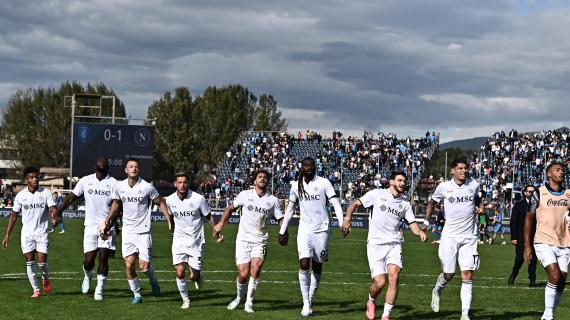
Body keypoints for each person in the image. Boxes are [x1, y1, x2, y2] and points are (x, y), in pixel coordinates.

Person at [342, 171, 427, 320]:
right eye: (399, 180)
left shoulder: (405, 204)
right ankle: (371, 300)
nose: (402, 183)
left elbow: (412, 224)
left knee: (394, 277)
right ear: (391, 182)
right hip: (375, 245)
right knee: (380, 283)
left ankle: (386, 315)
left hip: (394, 244)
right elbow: (355, 203)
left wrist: (419, 232)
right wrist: (347, 219)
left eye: (404, 181)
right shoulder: (376, 194)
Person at [278, 157, 346, 317]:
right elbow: (290, 210)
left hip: (322, 229)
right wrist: (282, 230)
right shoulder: (295, 186)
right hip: (304, 230)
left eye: (312, 165)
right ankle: (306, 303)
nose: (309, 167)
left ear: (315, 167)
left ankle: (310, 297)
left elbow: (336, 203)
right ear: (301, 167)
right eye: (306, 165)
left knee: (317, 266)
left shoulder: (324, 183)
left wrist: (342, 222)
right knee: (304, 263)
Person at [99, 158, 173, 304]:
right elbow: (116, 205)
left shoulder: (147, 187)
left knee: (144, 267)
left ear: (139, 170)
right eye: (131, 166)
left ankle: (153, 280)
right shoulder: (119, 187)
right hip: (128, 232)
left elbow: (161, 203)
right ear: (126, 170)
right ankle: (137, 294)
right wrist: (106, 221)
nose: (134, 168)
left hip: (144, 232)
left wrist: (169, 220)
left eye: (136, 167)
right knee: (129, 264)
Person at [213, 170, 283, 313]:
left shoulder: (273, 200)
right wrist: (220, 224)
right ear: (255, 181)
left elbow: (280, 218)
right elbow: (230, 208)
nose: (262, 179)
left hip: (260, 240)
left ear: (268, 182)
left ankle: (249, 303)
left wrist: (283, 232)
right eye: (259, 177)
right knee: (243, 274)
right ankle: (239, 298)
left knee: (256, 269)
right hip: (243, 240)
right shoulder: (245, 195)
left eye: (265, 177)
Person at [422, 159, 483, 320]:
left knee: (467, 275)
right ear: (452, 171)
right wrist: (426, 223)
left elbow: (476, 198)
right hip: (449, 237)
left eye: (466, 168)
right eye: (460, 168)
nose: (464, 171)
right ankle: (437, 289)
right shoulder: (444, 187)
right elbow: (432, 202)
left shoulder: (473, 184)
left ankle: (464, 315)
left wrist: (480, 206)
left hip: (469, 238)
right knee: (448, 274)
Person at [55, 158, 118, 300]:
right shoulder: (85, 180)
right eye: (100, 162)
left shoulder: (114, 183)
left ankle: (99, 290)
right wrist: (59, 211)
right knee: (89, 261)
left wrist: (108, 225)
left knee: (103, 259)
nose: (102, 162)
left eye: (105, 162)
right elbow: (71, 197)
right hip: (90, 226)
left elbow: (117, 206)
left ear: (108, 167)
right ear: (95, 166)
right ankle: (87, 276)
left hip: (106, 227)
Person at [2, 166, 58, 298]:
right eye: (31, 177)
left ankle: (45, 277)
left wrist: (54, 217)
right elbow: (14, 216)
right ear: (26, 180)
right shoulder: (21, 196)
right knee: (29, 261)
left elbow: (52, 208)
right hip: (27, 234)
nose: (35, 179)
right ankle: (36, 290)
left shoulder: (45, 193)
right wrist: (7, 235)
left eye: (36, 177)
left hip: (42, 233)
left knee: (42, 262)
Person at [524, 163, 570, 320]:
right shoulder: (539, 193)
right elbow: (529, 218)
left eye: (562, 170)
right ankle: (548, 315)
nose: (561, 172)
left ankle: (547, 314)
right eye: (557, 170)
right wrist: (527, 245)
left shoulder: (568, 194)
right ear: (548, 174)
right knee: (555, 275)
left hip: (564, 243)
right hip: (543, 241)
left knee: (562, 281)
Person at [165, 172, 214, 309]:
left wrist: (216, 229)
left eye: (185, 182)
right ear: (175, 184)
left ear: (189, 183)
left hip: (196, 241)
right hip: (179, 241)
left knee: (193, 277)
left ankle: (198, 276)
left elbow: (208, 216)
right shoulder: (169, 200)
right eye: (179, 182)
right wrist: (170, 224)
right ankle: (186, 300)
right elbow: (169, 216)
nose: (182, 185)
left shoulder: (198, 199)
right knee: (180, 272)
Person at [508, 185, 537, 286]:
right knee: (519, 258)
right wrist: (514, 237)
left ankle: (532, 280)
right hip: (520, 237)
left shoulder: (538, 205)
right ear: (525, 193)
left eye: (533, 192)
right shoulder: (519, 205)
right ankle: (513, 274)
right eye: (529, 191)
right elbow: (513, 222)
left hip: (534, 237)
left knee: (533, 259)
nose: (532, 193)